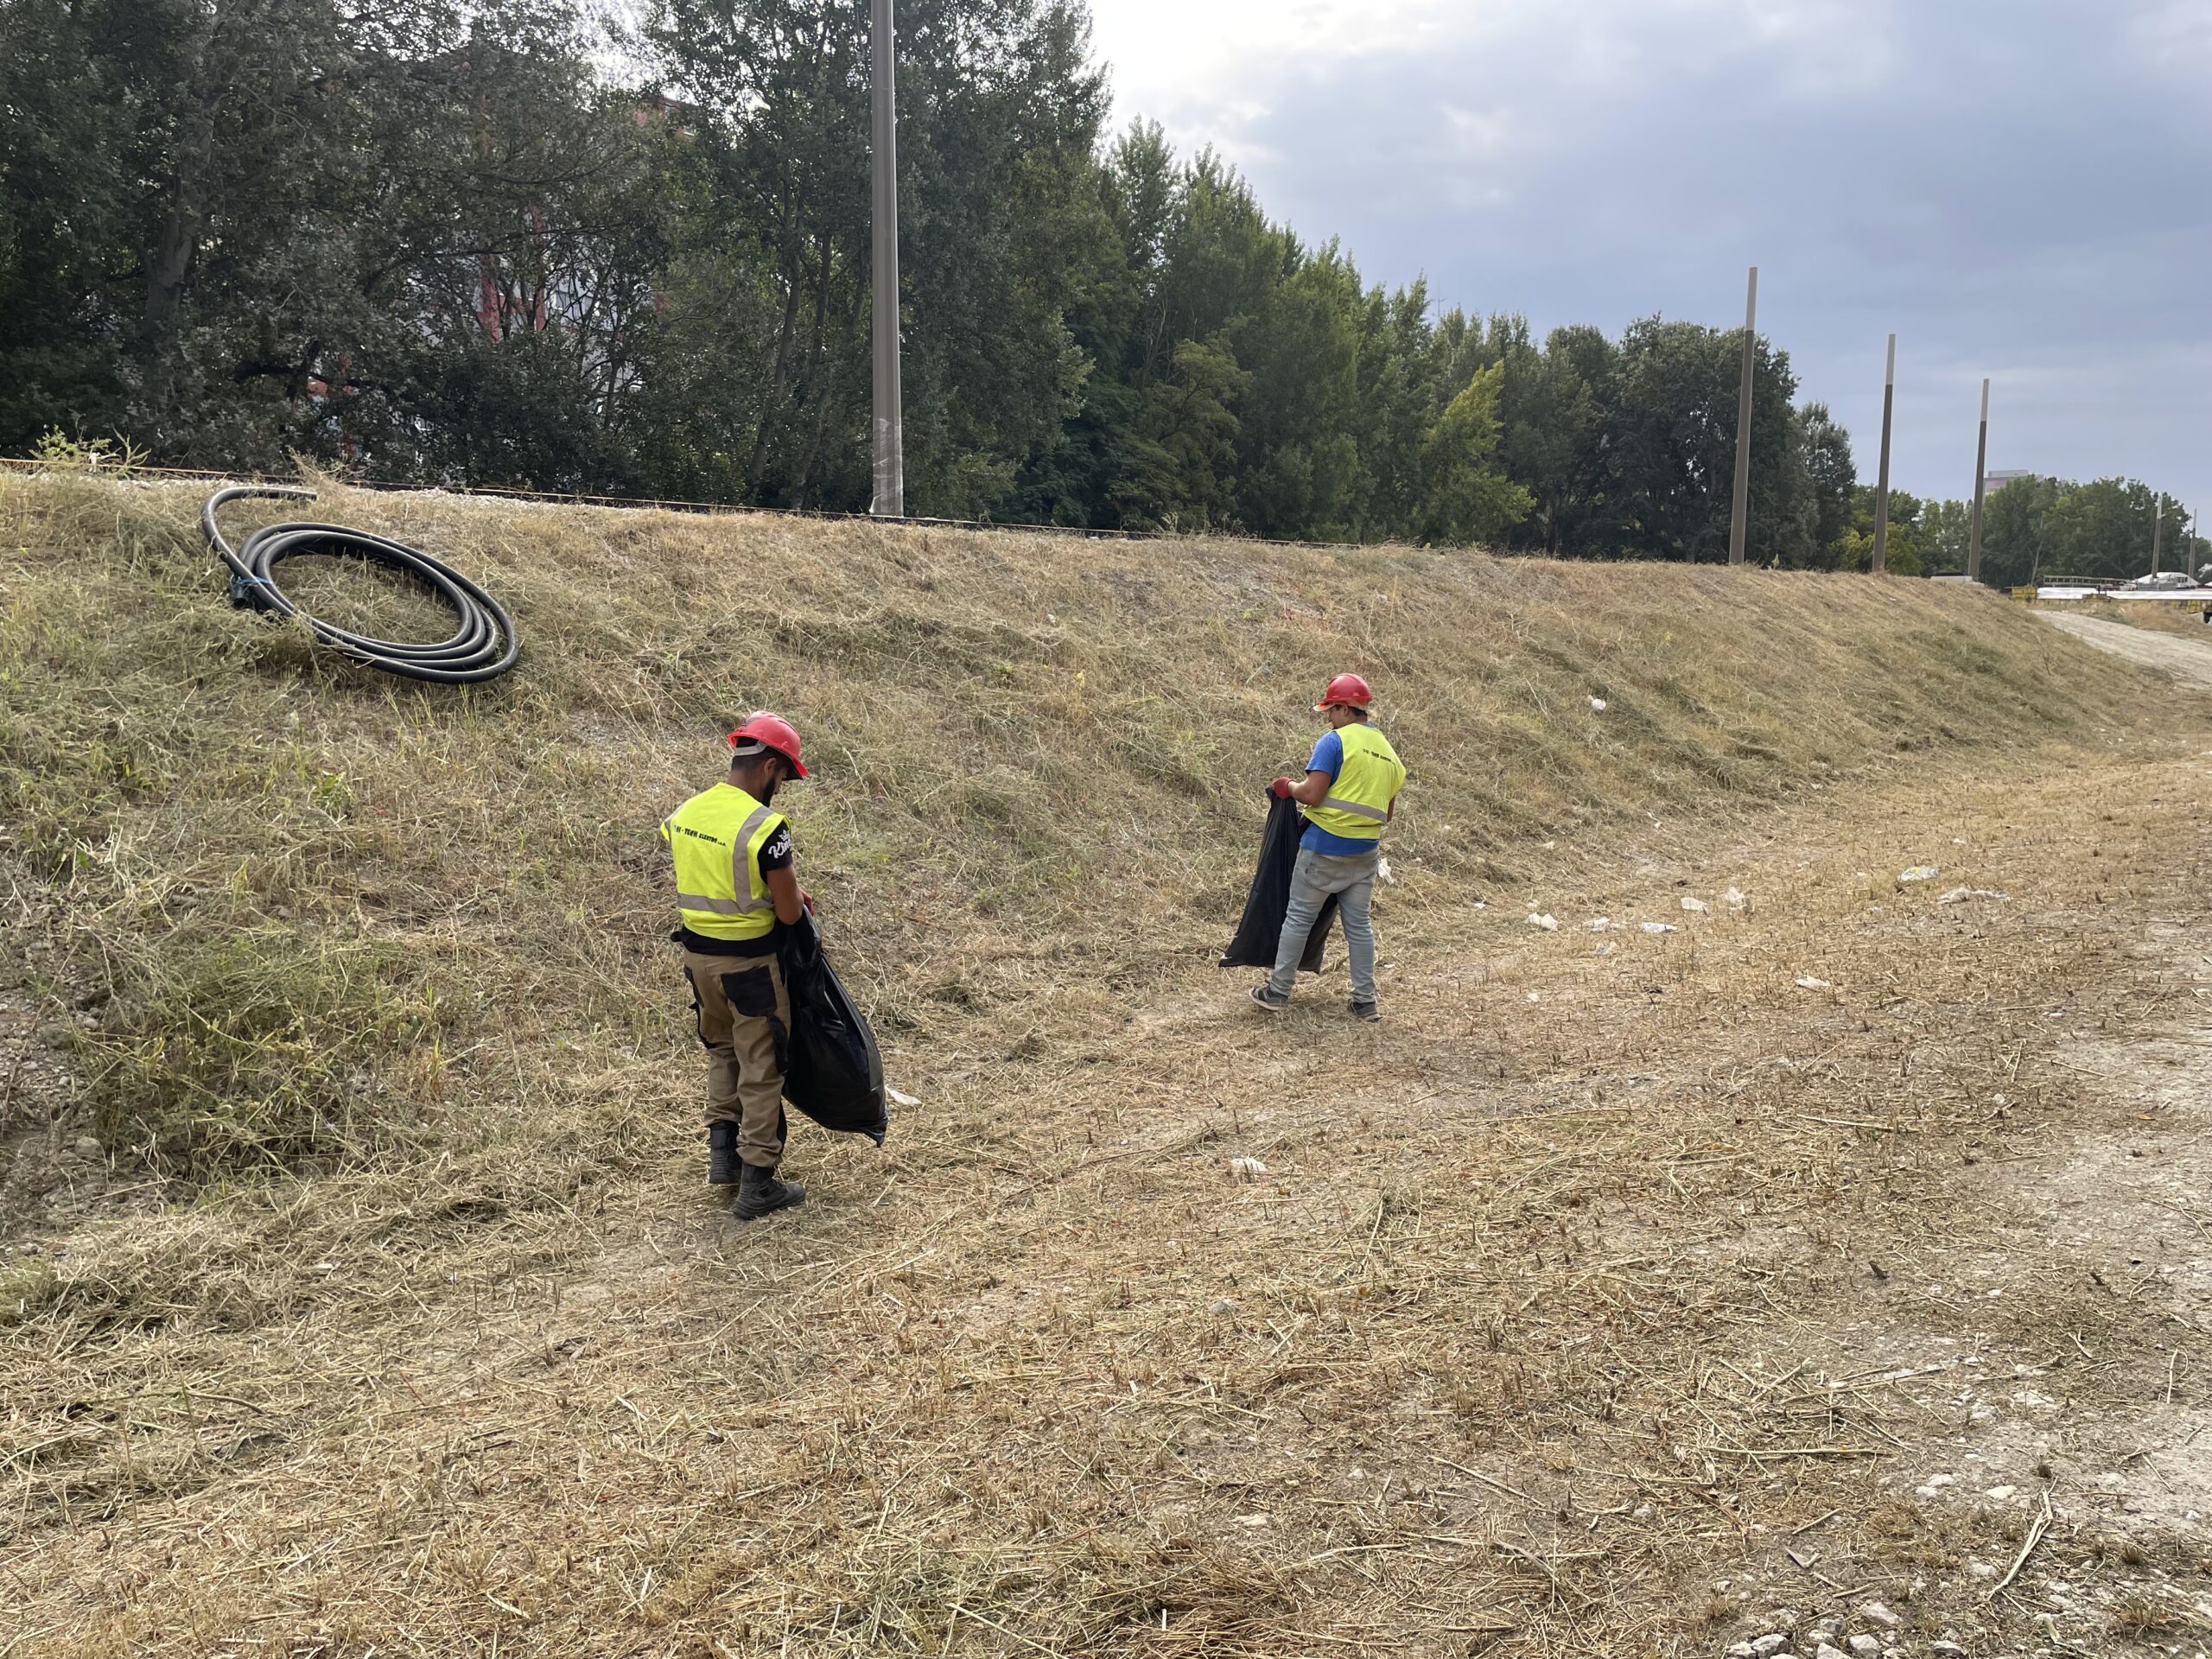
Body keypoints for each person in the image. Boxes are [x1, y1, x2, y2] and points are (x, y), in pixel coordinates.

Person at [661, 712, 815, 1219]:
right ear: (770, 766)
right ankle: (758, 1185)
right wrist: (790, 896)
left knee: (722, 1052)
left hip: (698, 961)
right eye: (784, 778)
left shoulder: (687, 811)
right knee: (763, 1066)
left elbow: (721, 878)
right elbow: (789, 912)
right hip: (751, 969)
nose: (782, 789)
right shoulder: (765, 826)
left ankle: (722, 1159)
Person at [1250, 674, 1406, 1022]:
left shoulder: (1335, 742)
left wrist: (1286, 786)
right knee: (1360, 927)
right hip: (1365, 854)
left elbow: (1312, 794)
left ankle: (1277, 992)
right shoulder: (1390, 756)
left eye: (1331, 710)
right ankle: (1365, 1002)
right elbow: (1388, 813)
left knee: (1298, 919)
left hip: (1323, 849)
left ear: (1344, 708)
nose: (1328, 717)